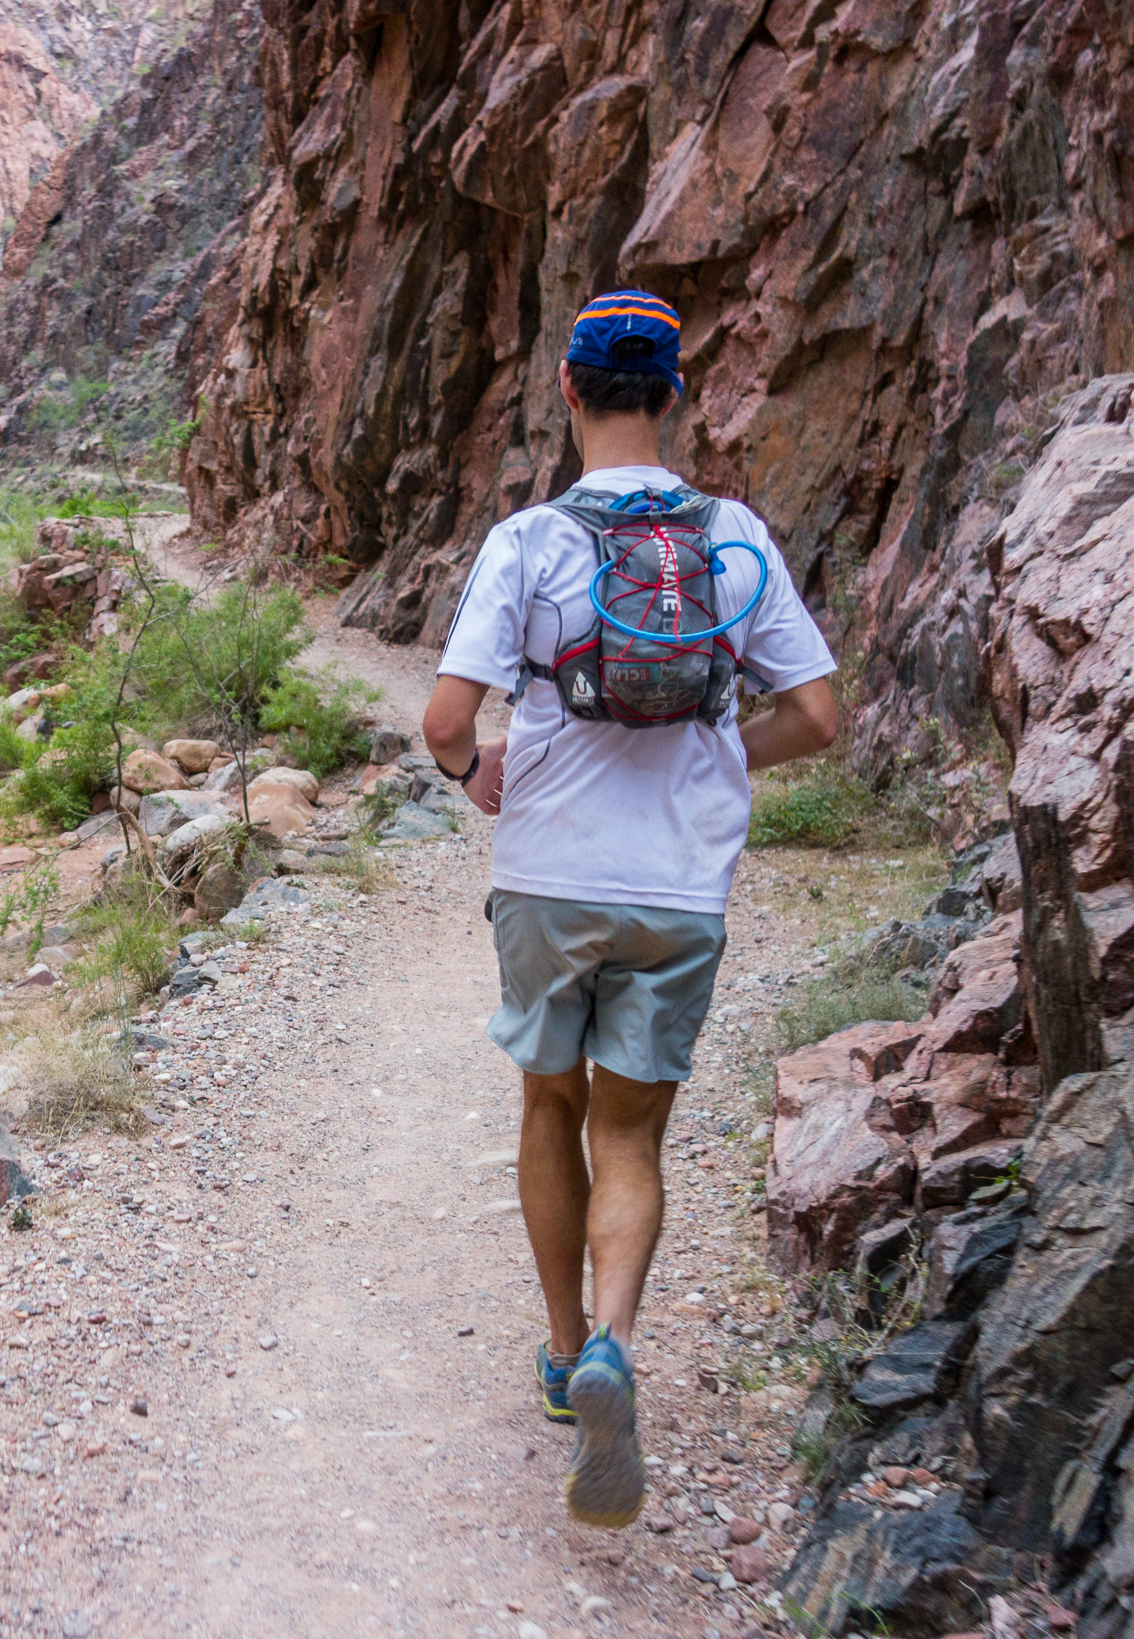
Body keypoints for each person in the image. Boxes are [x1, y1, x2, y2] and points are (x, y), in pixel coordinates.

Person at [419, 289, 840, 1530]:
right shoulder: (734, 536)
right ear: (672, 392)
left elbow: (445, 719)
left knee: (550, 1102)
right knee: (633, 1138)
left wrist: (473, 771)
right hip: (679, 886)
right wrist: (719, 755)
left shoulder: (530, 540)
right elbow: (818, 714)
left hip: (549, 878)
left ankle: (562, 1356)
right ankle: (613, 1337)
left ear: (567, 388)